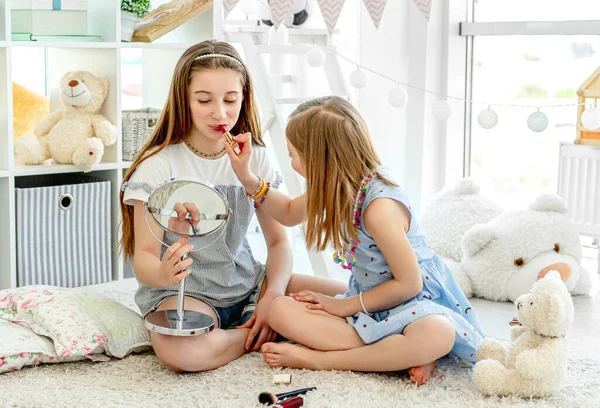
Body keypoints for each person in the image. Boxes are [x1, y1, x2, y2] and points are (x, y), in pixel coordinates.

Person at [119, 41, 347, 372]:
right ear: (183, 99)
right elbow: (144, 259)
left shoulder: (255, 158)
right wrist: (162, 272)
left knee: (348, 297)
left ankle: (263, 325)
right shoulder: (158, 166)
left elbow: (280, 242)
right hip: (185, 293)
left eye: (230, 100)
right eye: (204, 100)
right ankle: (254, 337)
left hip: (249, 284)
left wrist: (271, 298)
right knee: (182, 353)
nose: (220, 113)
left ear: (244, 98)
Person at [225, 95, 485, 385]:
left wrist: (342, 307)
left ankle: (323, 359)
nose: (291, 161)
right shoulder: (336, 183)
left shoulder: (380, 208)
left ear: (320, 160)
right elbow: (287, 212)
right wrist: (245, 175)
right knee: (279, 307)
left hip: (414, 304)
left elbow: (410, 284)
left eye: (292, 154)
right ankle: (396, 354)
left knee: (437, 333)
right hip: (370, 301)